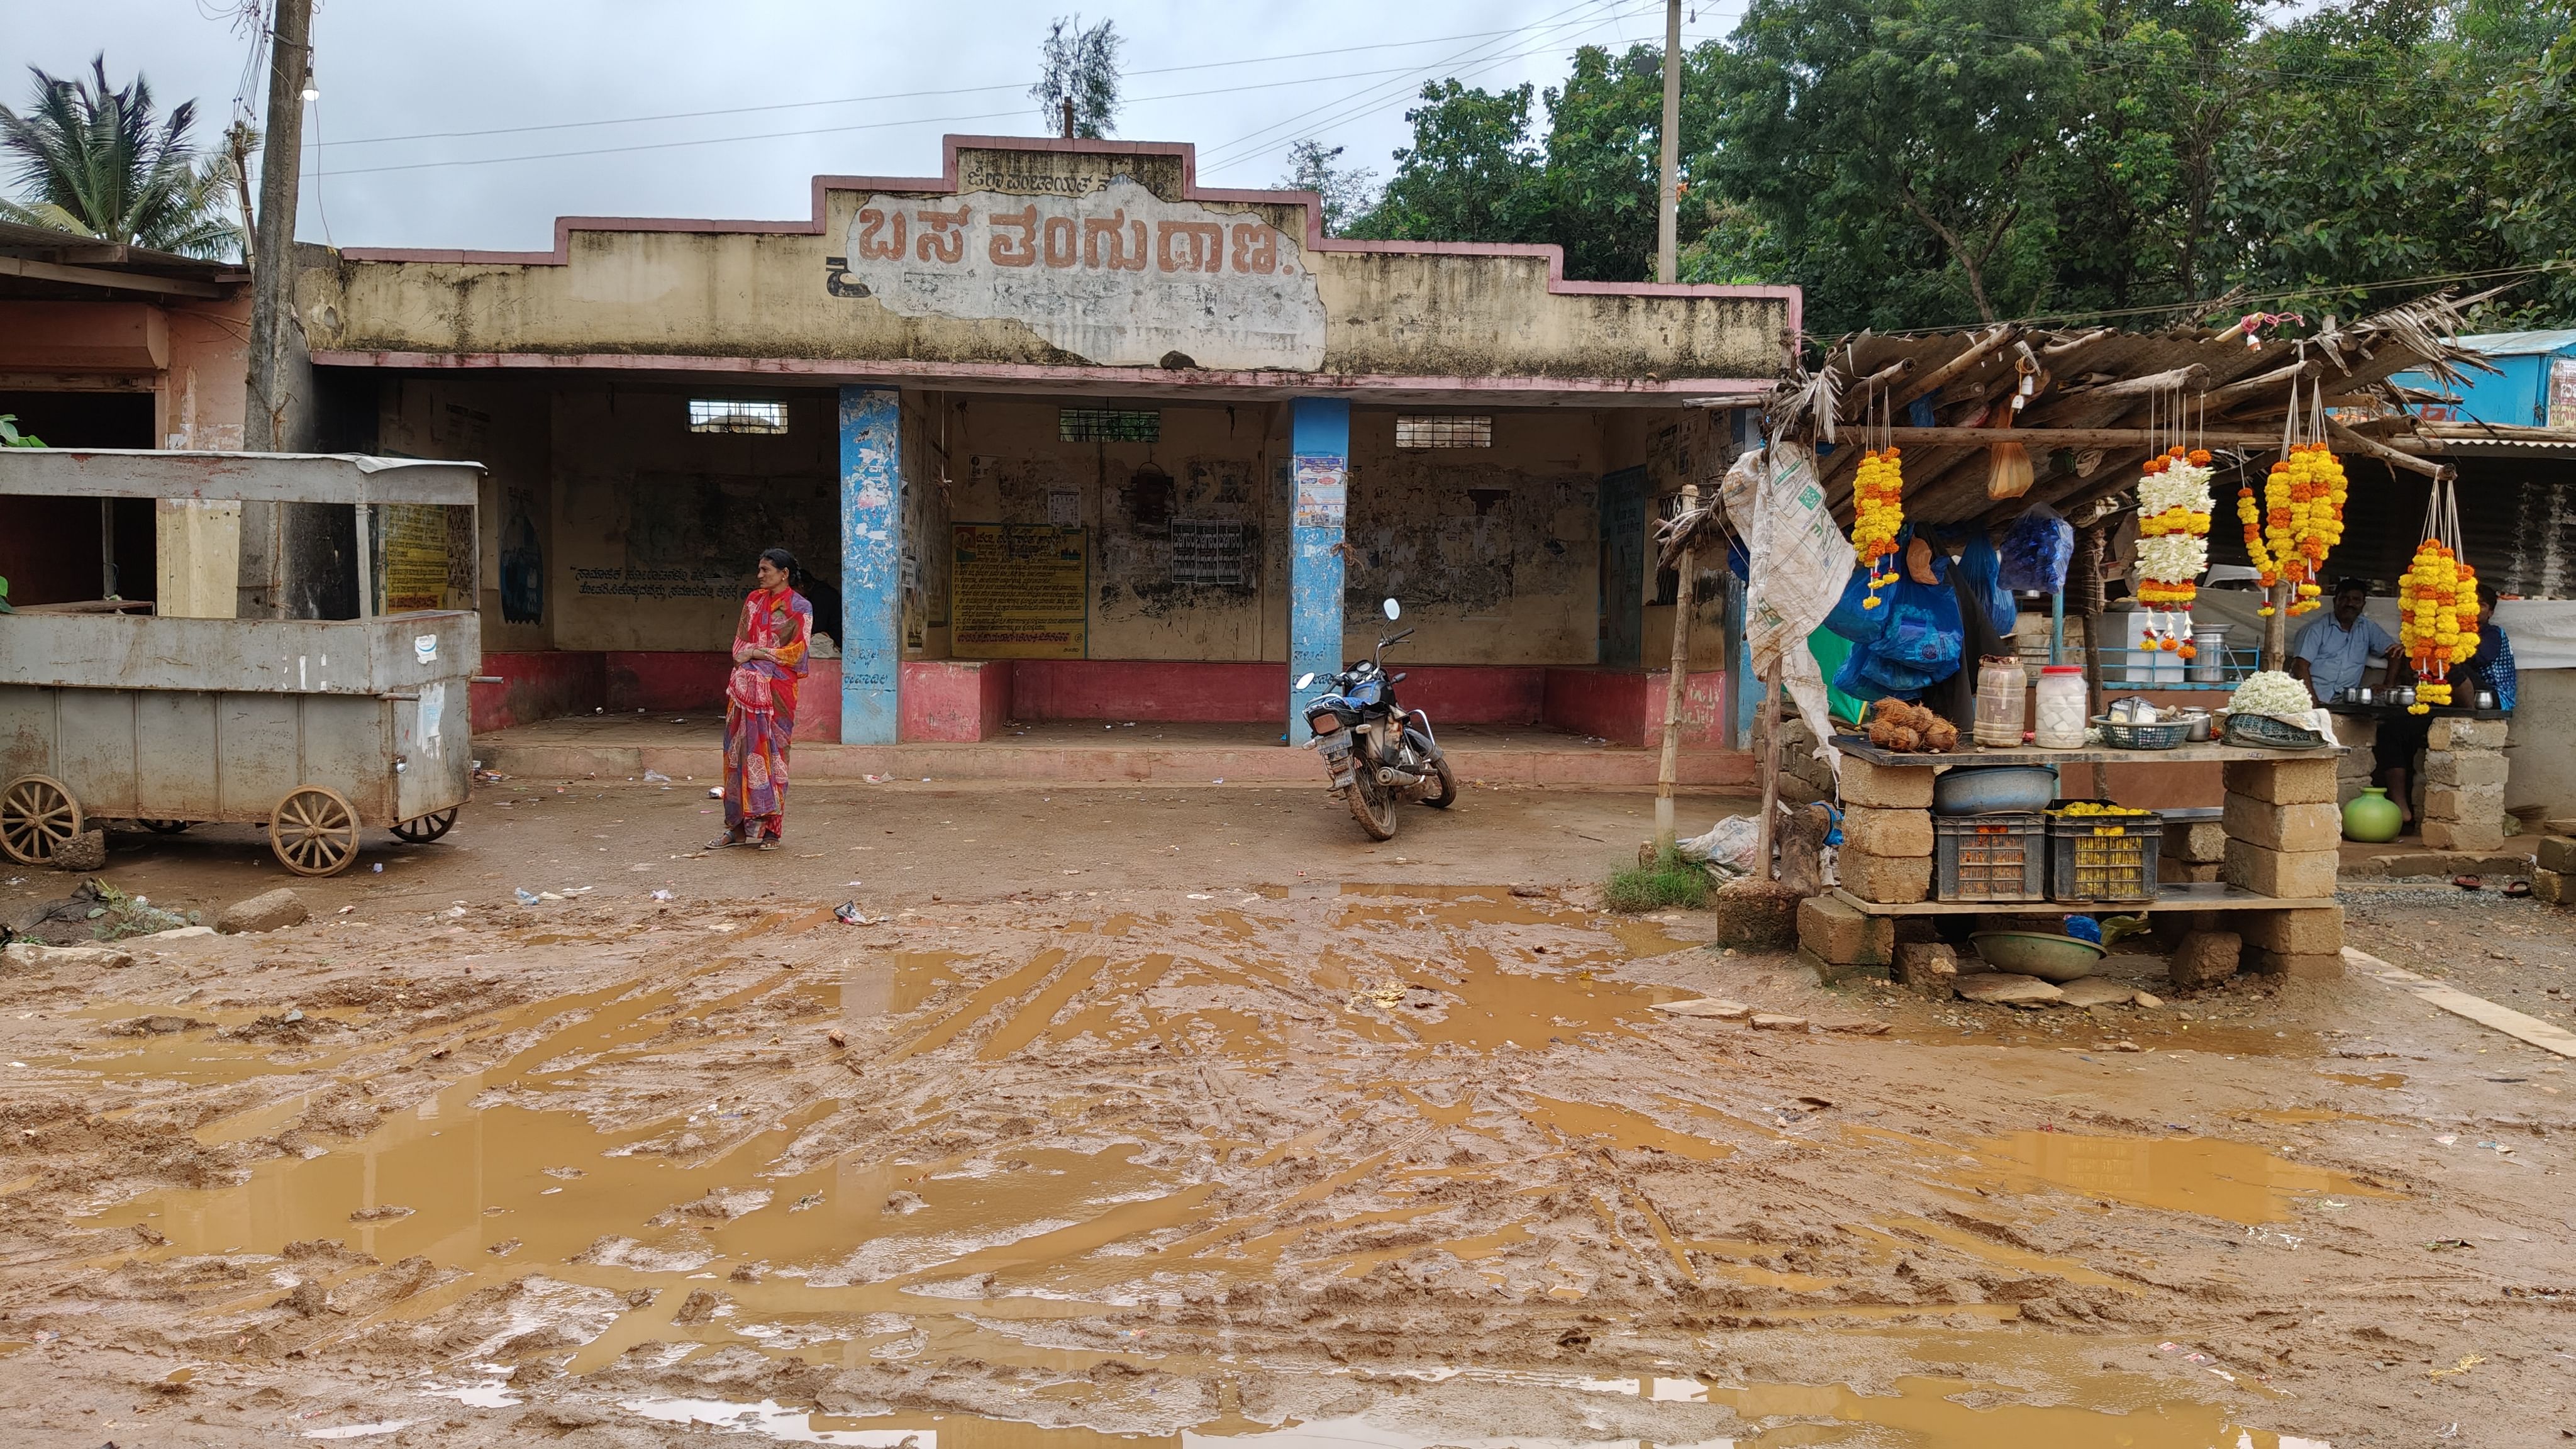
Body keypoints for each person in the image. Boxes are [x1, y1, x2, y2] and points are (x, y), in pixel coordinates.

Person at [710, 547, 813, 850]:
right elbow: (739, 645)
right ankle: (737, 828)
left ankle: (772, 831)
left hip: (778, 694)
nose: (760, 576)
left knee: (775, 758)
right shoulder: (753, 601)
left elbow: (797, 653)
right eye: (759, 570)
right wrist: (750, 661)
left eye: (765, 570)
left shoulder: (800, 607)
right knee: (737, 755)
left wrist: (759, 654)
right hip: (744, 692)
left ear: (784, 574)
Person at [2289, 577, 2400, 705]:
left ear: (2363, 604)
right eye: (2344, 598)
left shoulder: (2367, 628)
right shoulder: (2315, 629)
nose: (2350, 604)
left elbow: (2395, 653)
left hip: (2347, 702)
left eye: (2356, 600)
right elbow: (2299, 667)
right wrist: (2314, 704)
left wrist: (2388, 685)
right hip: (2312, 698)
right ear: (2335, 601)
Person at [2463, 581, 2517, 713]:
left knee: (2451, 666)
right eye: (2473, 603)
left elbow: (2478, 659)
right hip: (2478, 692)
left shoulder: (2493, 633)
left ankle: (2469, 711)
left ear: (2490, 613)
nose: (2475, 609)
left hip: (2496, 698)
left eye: (2482, 605)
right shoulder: (2464, 632)